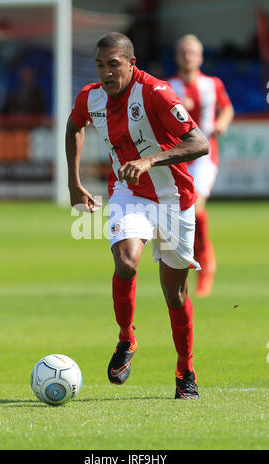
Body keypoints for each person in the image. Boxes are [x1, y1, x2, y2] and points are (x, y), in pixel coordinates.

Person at [66, 32, 209, 399]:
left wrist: (150, 159)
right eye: (100, 65)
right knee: (126, 262)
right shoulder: (90, 96)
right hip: (130, 193)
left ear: (131, 63)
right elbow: (74, 125)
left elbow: (199, 143)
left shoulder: (156, 93)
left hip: (175, 197)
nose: (106, 73)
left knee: (174, 295)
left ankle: (185, 370)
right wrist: (74, 183)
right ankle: (126, 338)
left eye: (113, 65)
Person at [168, 35, 234, 297]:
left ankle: (205, 265)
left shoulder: (212, 84)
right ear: (177, 57)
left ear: (200, 57)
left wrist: (222, 124)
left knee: (195, 209)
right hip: (177, 156)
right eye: (184, 52)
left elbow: (227, 108)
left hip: (205, 155)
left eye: (192, 52)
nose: (188, 57)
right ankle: (191, 262)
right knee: (181, 215)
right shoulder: (168, 86)